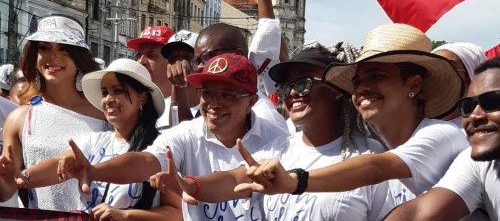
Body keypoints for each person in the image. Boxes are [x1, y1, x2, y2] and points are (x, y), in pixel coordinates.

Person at [233, 23, 469, 205]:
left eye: (376, 76)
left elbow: (376, 168)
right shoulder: (379, 145)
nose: (362, 88)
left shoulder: (444, 135)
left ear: (414, 85)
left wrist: (295, 181)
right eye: (357, 81)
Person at [163, 42, 395, 220]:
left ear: (336, 89)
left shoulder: (371, 157)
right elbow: (235, 178)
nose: (293, 92)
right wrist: (188, 184)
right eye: (287, 85)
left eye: (303, 83)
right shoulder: (279, 148)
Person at [57, 53, 290, 220]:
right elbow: (146, 161)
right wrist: (96, 171)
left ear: (251, 101)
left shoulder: (275, 138)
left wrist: (185, 184)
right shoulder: (186, 133)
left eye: (227, 95)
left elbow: (237, 179)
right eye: (207, 93)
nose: (213, 104)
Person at [2, 59, 182, 220]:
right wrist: (21, 177)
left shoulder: (160, 148)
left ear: (142, 98)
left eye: (118, 91)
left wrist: (125, 215)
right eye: (104, 92)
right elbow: (61, 164)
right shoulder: (95, 142)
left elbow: (177, 213)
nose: (108, 99)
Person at [0, 15, 109, 211]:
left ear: (79, 56)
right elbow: (6, 191)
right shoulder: (19, 118)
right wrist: (4, 177)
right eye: (44, 48)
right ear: (34, 56)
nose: (53, 57)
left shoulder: (105, 113)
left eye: (64, 48)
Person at [171, 0, 286, 127]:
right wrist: (179, 88)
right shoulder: (210, 107)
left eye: (206, 57)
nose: (200, 66)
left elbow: (269, 37)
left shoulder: (264, 117)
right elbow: (187, 139)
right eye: (196, 60)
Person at [384, 57, 500, 220]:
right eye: (467, 106)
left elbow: (379, 167)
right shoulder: (478, 163)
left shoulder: (444, 133)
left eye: (492, 101)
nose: (474, 116)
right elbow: (417, 214)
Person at [127, 25, 174, 128]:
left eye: (151, 56)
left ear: (171, 61)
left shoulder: (187, 107)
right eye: (139, 56)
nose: (141, 62)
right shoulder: (131, 105)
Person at [432, 42, 487, 126]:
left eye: (449, 67)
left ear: (470, 77)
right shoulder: (413, 124)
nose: (438, 75)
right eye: (433, 69)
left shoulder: (483, 127)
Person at [161, 30, 201, 125]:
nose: (179, 64)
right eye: (173, 59)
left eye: (187, 57)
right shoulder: (160, 108)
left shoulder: (210, 107)